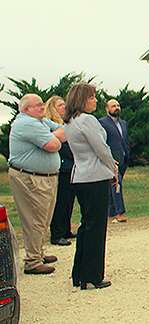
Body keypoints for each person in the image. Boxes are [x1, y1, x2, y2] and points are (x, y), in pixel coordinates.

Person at [64, 83, 117, 289]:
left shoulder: (70, 121)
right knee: (96, 227)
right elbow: (101, 148)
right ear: (83, 99)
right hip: (94, 176)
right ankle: (93, 275)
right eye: (92, 97)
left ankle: (80, 272)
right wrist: (112, 167)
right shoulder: (88, 120)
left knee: (86, 225)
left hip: (80, 176)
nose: (95, 101)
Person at [8, 93, 64, 274]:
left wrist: (53, 136)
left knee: (44, 217)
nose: (42, 107)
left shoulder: (40, 122)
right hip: (30, 178)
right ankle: (32, 261)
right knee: (34, 219)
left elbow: (64, 131)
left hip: (45, 177)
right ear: (26, 109)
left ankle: (38, 252)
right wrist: (53, 137)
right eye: (38, 105)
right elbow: (53, 145)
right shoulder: (26, 123)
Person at [45, 96, 77, 246]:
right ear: (53, 108)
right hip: (61, 166)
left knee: (69, 200)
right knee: (60, 201)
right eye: (60, 105)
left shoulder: (66, 124)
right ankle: (57, 233)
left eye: (64, 104)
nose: (64, 107)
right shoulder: (51, 126)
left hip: (71, 167)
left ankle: (66, 229)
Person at [99, 99, 130, 223]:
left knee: (112, 185)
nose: (116, 107)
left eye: (118, 105)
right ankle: (120, 212)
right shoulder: (102, 123)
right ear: (107, 109)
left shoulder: (123, 123)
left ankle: (111, 212)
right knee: (117, 184)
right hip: (111, 159)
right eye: (113, 106)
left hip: (123, 158)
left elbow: (125, 140)